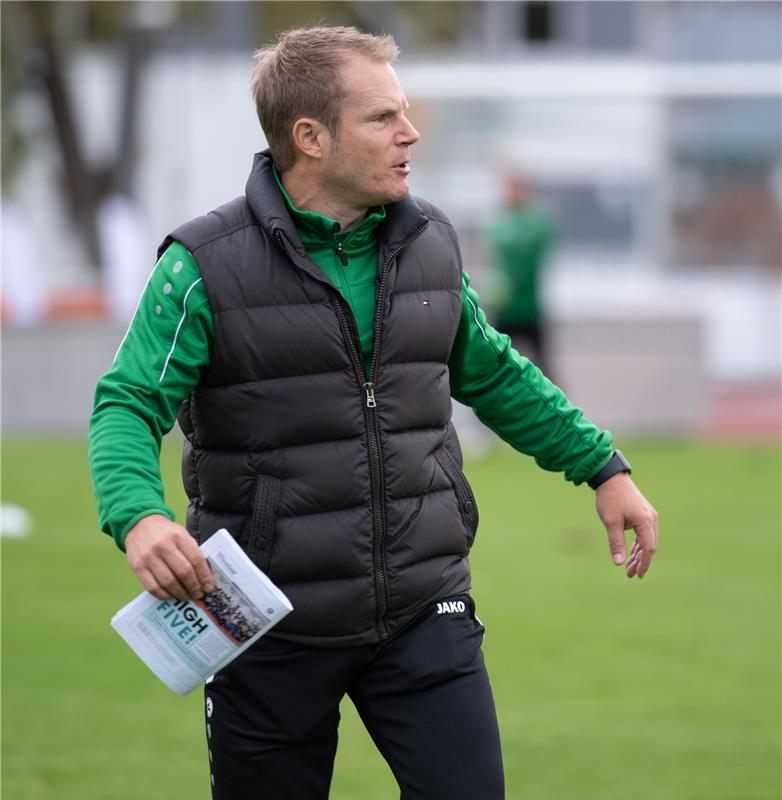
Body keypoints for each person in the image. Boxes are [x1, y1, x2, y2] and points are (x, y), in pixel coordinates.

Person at [88, 26, 658, 800]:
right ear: (311, 137)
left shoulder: (429, 244)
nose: (410, 131)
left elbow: (494, 371)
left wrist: (602, 467)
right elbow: (127, 400)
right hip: (265, 625)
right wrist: (138, 516)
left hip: (428, 610)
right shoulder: (201, 265)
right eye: (383, 117)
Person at [488, 173, 555, 376]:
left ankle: (553, 405)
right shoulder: (499, 221)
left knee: (541, 363)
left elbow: (530, 262)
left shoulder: (536, 222)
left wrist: (512, 276)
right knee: (496, 363)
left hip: (528, 307)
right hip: (504, 308)